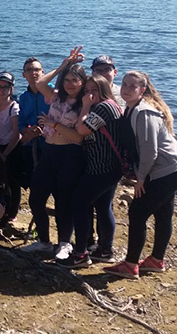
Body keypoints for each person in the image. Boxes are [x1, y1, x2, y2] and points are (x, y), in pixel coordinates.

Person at [104, 71, 177, 279]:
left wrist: (140, 178)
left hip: (166, 171)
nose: (126, 89)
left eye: (132, 86)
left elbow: (150, 151)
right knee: (163, 213)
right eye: (124, 84)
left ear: (142, 90)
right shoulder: (132, 109)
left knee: (137, 213)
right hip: (170, 168)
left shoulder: (143, 112)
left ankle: (131, 264)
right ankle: (156, 260)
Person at [22, 47, 87, 259]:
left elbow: (78, 137)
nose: (69, 84)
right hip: (49, 152)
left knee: (63, 202)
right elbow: (40, 83)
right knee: (36, 198)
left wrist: (53, 124)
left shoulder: (84, 104)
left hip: (70, 155)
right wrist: (63, 65)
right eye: (67, 80)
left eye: (74, 80)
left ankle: (64, 243)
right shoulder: (56, 97)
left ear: (82, 83)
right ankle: (43, 241)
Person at [58, 75, 124, 268]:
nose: (89, 94)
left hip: (102, 168)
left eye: (93, 90)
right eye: (86, 91)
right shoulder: (106, 106)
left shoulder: (104, 107)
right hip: (105, 167)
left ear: (103, 89)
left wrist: (85, 105)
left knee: (79, 204)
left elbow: (81, 129)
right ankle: (105, 250)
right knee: (103, 207)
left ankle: (80, 254)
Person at [0, 72, 22, 223]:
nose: (1, 90)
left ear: (11, 89)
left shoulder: (13, 107)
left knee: (13, 181)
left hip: (12, 147)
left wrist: (6, 153)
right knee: (1, 180)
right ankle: (2, 210)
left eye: (5, 87)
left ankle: (13, 212)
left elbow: (16, 134)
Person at [18, 57, 50, 200]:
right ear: (24, 74)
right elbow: (22, 123)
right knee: (35, 185)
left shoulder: (53, 92)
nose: (33, 73)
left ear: (43, 72)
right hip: (33, 146)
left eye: (37, 69)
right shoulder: (24, 97)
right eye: (29, 70)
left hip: (53, 144)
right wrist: (27, 131)